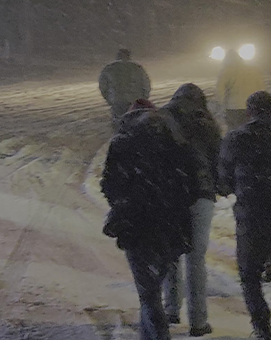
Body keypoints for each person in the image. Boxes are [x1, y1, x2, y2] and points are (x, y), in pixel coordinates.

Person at [102, 98, 199, 340]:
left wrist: (124, 202)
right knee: (155, 285)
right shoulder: (176, 142)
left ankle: (158, 335)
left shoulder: (122, 143)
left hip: (136, 226)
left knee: (149, 294)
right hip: (171, 224)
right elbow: (192, 183)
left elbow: (109, 184)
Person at [160, 84, 221, 337]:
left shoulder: (161, 120)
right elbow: (219, 160)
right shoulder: (207, 123)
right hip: (201, 196)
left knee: (170, 254)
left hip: (171, 197)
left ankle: (171, 309)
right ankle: (198, 322)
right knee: (196, 259)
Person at [217, 90, 271, 340]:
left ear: (249, 111)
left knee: (249, 275)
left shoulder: (237, 138)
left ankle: (261, 325)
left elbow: (224, 182)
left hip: (252, 215)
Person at [99, 48, 152, 130]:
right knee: (134, 121)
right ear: (129, 56)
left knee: (118, 121)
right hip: (135, 100)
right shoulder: (137, 68)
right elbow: (146, 84)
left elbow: (103, 86)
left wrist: (108, 98)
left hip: (116, 99)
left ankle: (118, 136)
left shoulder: (109, 68)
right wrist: (144, 98)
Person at [217, 52, 266, 130]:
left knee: (235, 133)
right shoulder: (254, 70)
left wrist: (222, 107)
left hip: (234, 108)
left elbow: (220, 91)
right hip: (253, 107)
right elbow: (261, 88)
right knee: (253, 131)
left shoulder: (226, 71)